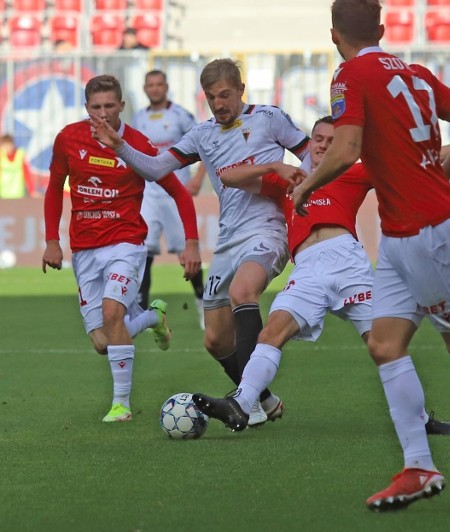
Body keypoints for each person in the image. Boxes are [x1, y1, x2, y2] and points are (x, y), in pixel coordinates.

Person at [289, 0, 450, 510]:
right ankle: (418, 467)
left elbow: (347, 146)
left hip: (430, 231)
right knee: (384, 344)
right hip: (404, 232)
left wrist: (306, 185)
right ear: (381, 32)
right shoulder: (417, 74)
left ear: (335, 37)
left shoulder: (350, 77)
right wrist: (436, 177)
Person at [192, 116, 450, 436]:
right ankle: (242, 404)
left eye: (333, 141)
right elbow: (227, 176)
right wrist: (273, 167)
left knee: (384, 346)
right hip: (306, 268)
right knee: (271, 332)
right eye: (319, 138)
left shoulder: (351, 172)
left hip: (348, 263)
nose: (323, 145)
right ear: (310, 141)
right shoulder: (288, 179)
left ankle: (420, 420)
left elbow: (411, 158)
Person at [88, 59, 311, 426]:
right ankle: (265, 400)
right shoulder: (202, 134)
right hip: (227, 239)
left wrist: (305, 193)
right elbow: (157, 168)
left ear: (241, 90)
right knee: (216, 341)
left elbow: (309, 156)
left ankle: (243, 400)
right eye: (211, 97)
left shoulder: (269, 118)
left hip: (267, 229)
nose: (219, 103)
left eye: (225, 94)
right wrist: (119, 145)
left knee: (243, 291)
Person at [42, 74, 201, 423]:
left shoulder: (138, 144)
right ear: (86, 108)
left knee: (114, 314)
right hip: (84, 248)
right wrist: (51, 240)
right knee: (103, 342)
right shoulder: (69, 139)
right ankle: (151, 317)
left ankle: (121, 406)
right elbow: (55, 187)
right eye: (96, 107)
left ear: (121, 106)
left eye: (109, 106)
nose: (102, 113)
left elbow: (179, 192)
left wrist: (191, 240)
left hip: (126, 243)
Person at [132, 70, 206, 329]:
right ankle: (140, 310)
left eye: (158, 84)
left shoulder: (180, 115)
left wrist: (197, 179)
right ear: (144, 88)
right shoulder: (138, 118)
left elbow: (204, 144)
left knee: (187, 253)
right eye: (150, 84)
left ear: (166, 86)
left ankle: (201, 302)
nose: (154, 89)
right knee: (144, 253)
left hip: (176, 192)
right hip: (149, 194)